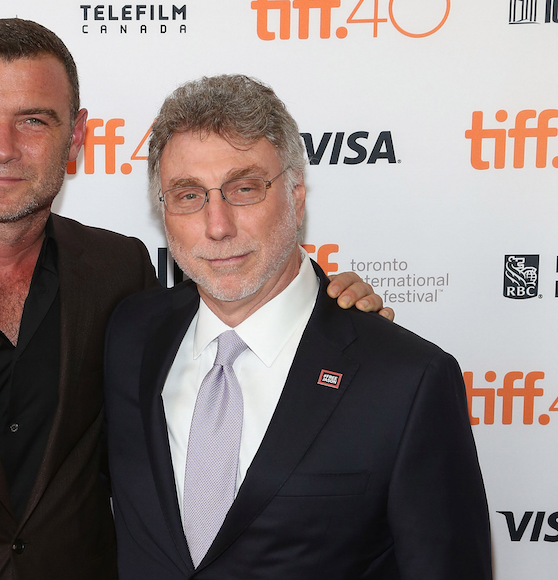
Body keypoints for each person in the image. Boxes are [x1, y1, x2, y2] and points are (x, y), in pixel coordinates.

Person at [0, 20, 389, 580]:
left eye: (34, 120)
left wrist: (330, 310)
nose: (3, 146)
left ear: (77, 136)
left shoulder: (120, 270)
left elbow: (229, 327)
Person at [104, 75, 491, 579]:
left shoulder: (405, 381)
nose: (217, 225)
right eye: (188, 195)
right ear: (164, 211)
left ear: (297, 197)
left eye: (244, 189)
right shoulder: (131, 334)